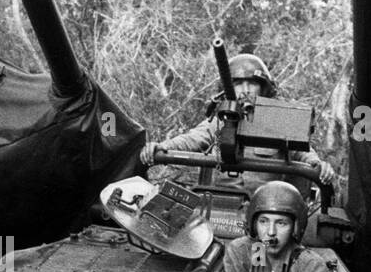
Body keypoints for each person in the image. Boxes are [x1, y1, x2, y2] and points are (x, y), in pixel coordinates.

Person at [140, 53, 337, 186]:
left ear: (263, 87)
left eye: (251, 83)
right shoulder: (222, 118)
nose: (245, 90)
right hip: (219, 204)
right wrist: (162, 146)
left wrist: (319, 166)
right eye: (238, 84)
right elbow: (193, 139)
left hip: (267, 210)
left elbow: (304, 154)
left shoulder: (278, 119)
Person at [220, 181, 331, 272]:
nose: (271, 232)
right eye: (263, 221)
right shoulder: (241, 252)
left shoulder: (310, 265)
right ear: (254, 224)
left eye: (281, 223)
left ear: (295, 228)